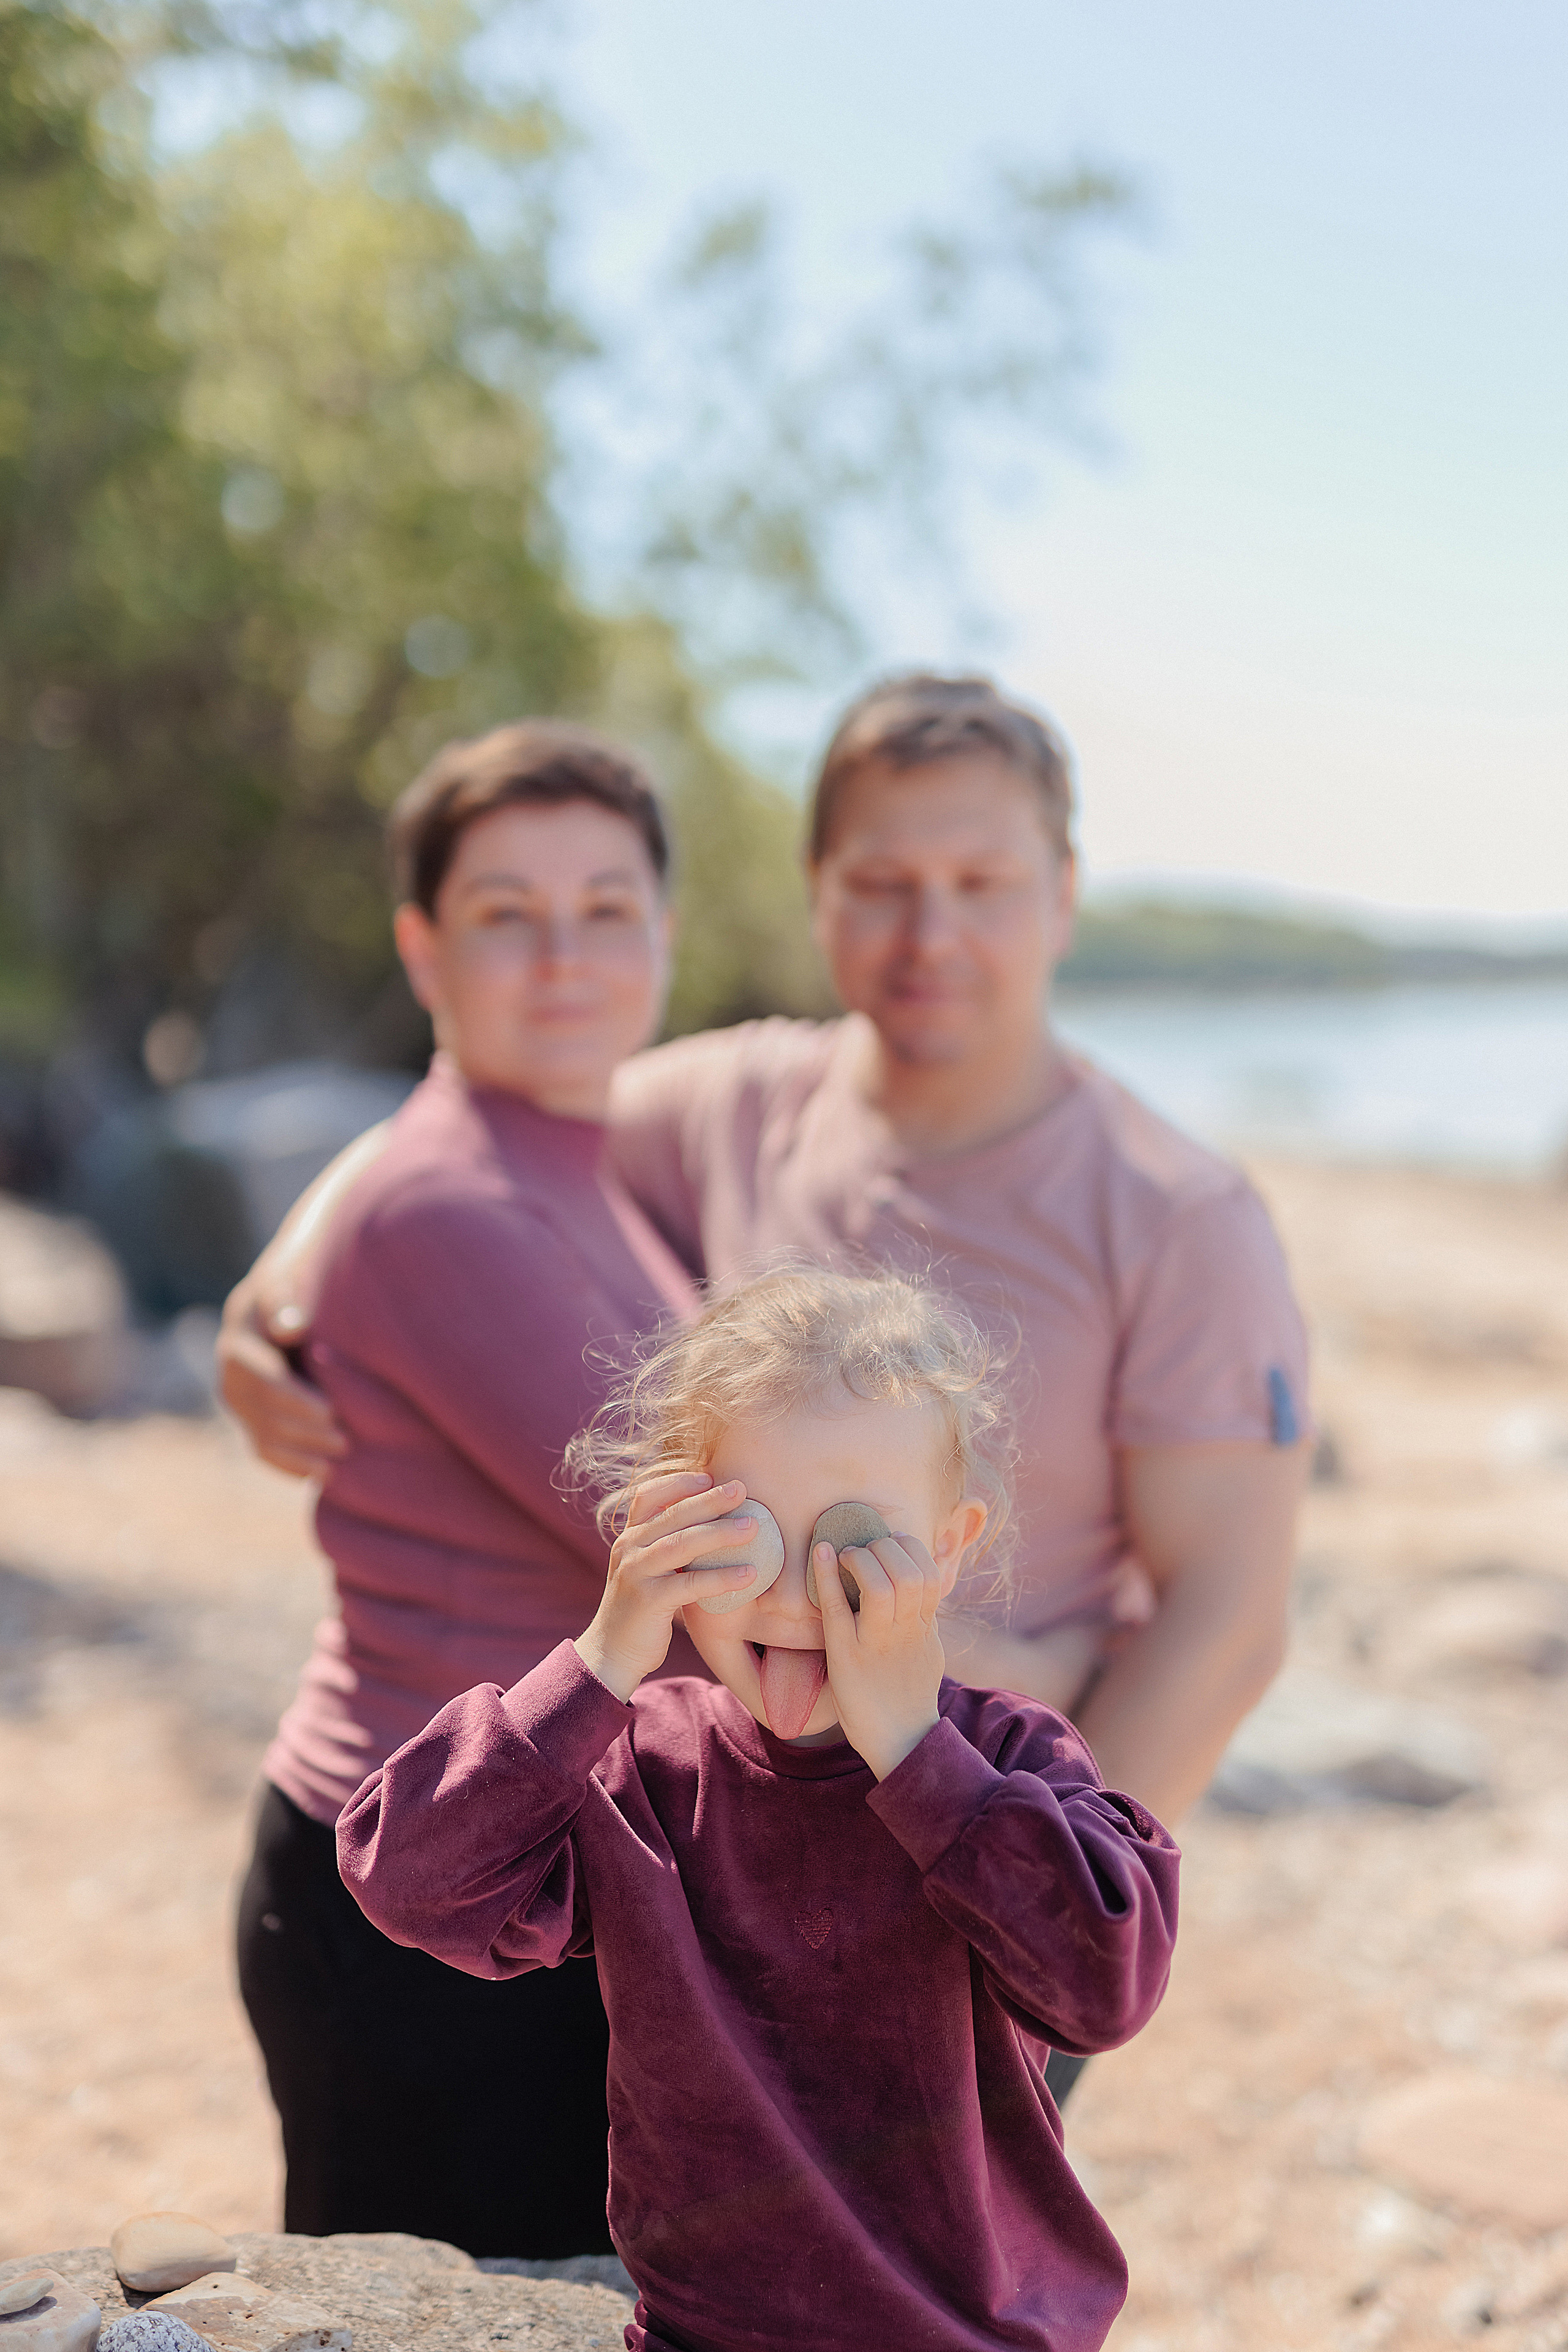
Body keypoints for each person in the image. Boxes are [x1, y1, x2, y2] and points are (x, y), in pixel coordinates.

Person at [221, 671, 1308, 2105]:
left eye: (981, 881)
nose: (930, 934)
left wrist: (1024, 1921)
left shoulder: (1176, 1213)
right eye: (881, 882)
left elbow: (1225, 1622)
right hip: (718, 1896)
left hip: (974, 1904)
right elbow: (468, 1129)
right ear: (816, 895)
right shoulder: (729, 1102)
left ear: (1061, 893)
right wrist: (277, 1282)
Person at [339, 1266, 1181, 2352]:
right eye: (747, 1532)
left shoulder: (1006, 1760)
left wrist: (913, 1750)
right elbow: (406, 1879)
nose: (795, 1596)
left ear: (953, 1545)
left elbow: (1106, 1988)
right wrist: (605, 1655)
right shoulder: (640, 1763)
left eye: (855, 1548)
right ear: (664, 1526)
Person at [235, 718, 704, 2257]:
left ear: (664, 936)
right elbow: (705, 1551)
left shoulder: (581, 1155)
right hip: (428, 1900)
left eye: (606, 908)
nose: (563, 955)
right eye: (505, 912)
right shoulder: (450, 1202)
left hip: (508, 1873)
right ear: (423, 948)